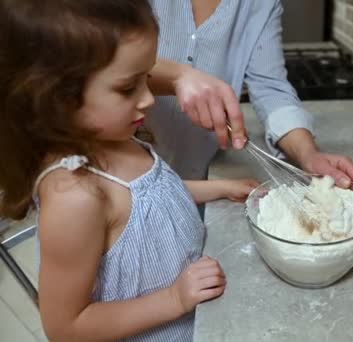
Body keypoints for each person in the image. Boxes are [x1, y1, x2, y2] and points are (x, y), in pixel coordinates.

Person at [0, 1, 258, 340]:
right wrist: (173, 298)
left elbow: (154, 201)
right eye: (128, 87)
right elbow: (66, 328)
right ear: (57, 97)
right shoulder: (75, 197)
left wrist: (223, 189)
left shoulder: (117, 139)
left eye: (147, 78)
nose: (149, 99)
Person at [145, 0, 353, 190]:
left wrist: (308, 154)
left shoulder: (261, 4)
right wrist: (177, 76)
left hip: (202, 176)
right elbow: (111, 61)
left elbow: (270, 88)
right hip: (129, 165)